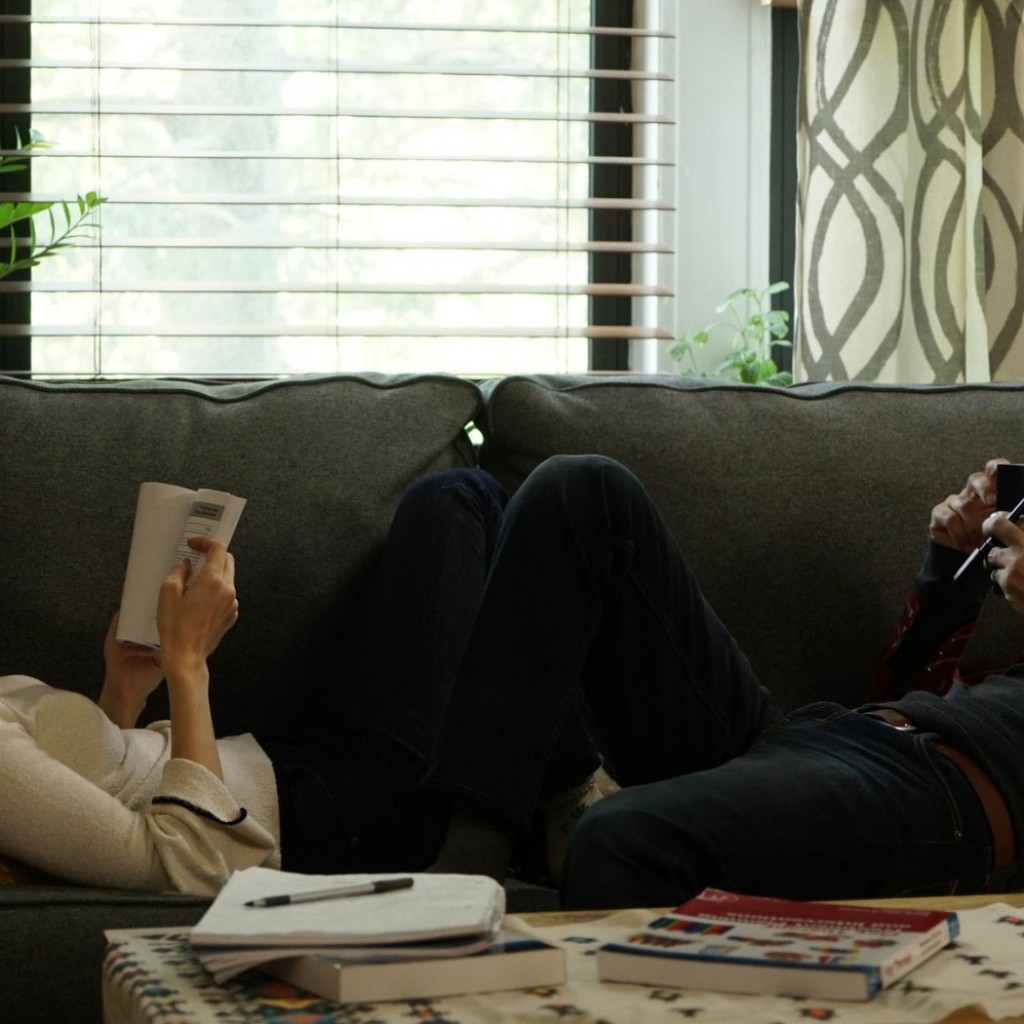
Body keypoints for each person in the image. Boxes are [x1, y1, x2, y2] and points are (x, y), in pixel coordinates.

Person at [424, 454, 1024, 908]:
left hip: (956, 800)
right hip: (835, 738)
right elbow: (913, 692)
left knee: (623, 840)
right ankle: (473, 857)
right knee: (583, 489)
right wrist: (952, 566)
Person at [1, 467, 583, 894]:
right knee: (457, 499)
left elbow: (98, 788)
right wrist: (187, 665)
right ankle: (561, 792)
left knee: (467, 537)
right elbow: (197, 862)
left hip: (302, 767)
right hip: (336, 818)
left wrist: (124, 693)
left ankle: (556, 791)